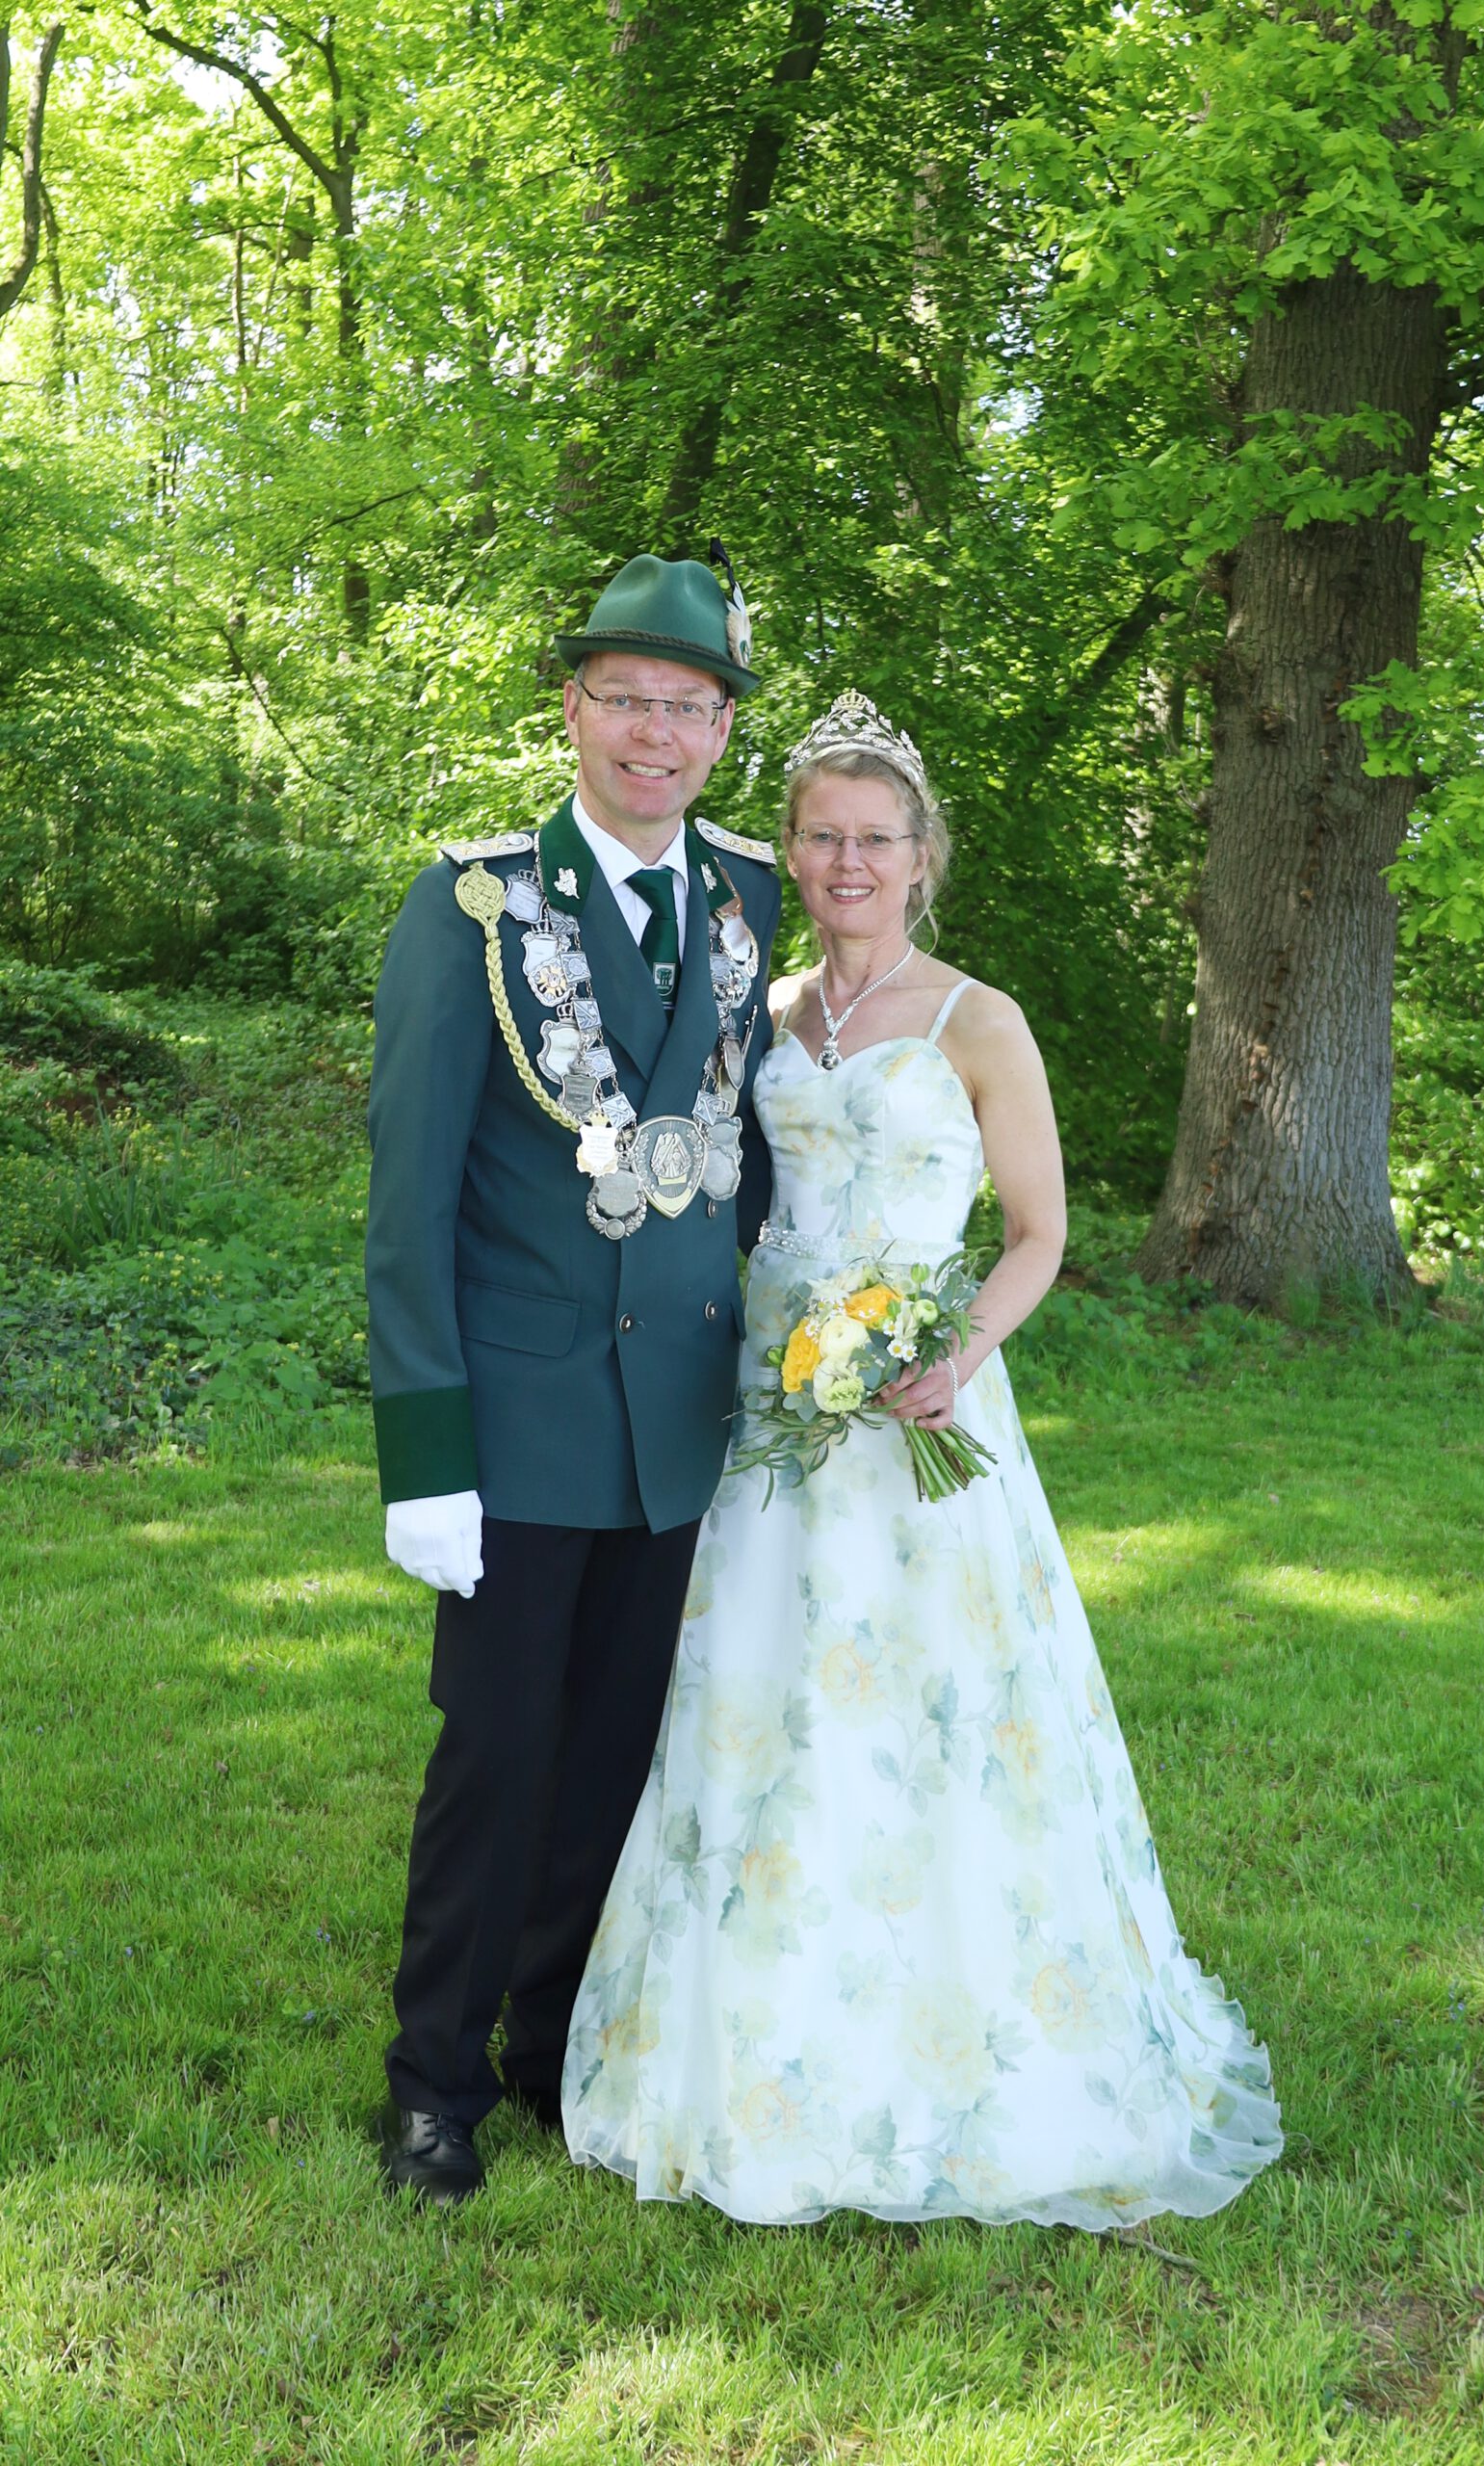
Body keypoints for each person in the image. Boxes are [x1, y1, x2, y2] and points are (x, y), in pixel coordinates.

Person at [561, 690, 1283, 2229]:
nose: (847, 863)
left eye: (875, 839)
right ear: (792, 851)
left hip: (925, 1415)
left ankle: (969, 2031)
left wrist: (952, 1355)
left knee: (939, 1710)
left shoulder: (978, 1022)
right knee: (758, 1699)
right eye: (822, 836)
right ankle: (746, 2027)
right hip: (769, 1419)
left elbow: (1039, 1235)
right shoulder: (757, 1014)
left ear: (923, 855)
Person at [366, 549, 781, 2203]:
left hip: (677, 1421)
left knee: (614, 1753)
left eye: (687, 707)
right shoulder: (473, 905)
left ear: (722, 731)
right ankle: (433, 2083)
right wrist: (426, 1455)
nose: (654, 735)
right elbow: (409, 1205)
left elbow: (747, 1158)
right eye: (626, 700)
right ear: (574, 710)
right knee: (495, 1758)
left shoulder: (746, 898)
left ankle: (553, 2051)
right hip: (524, 1422)